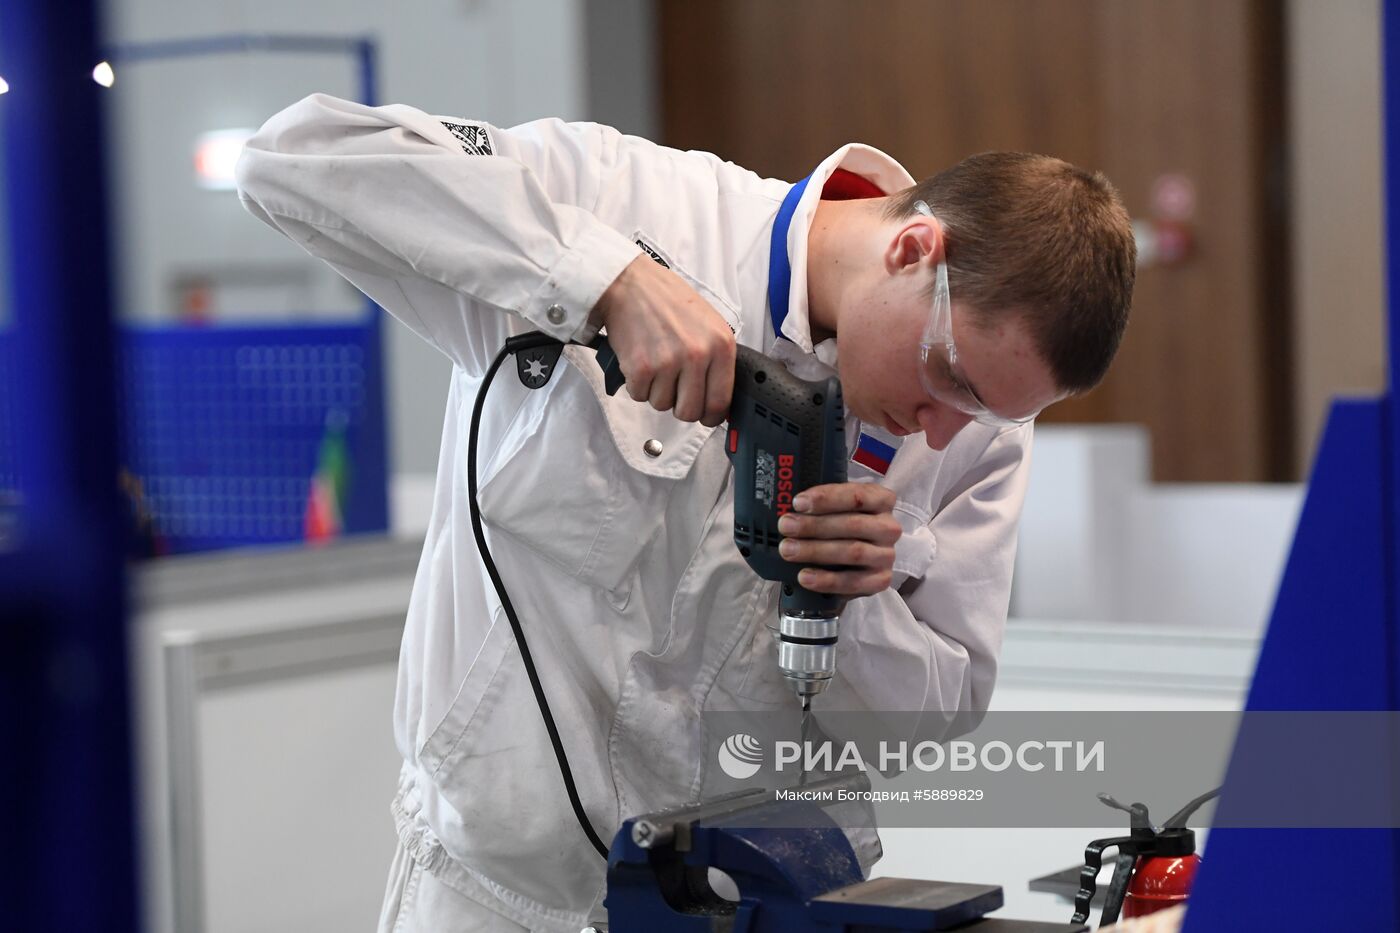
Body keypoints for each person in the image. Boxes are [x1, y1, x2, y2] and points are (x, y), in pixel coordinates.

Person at [236, 93, 1135, 933]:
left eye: (989, 414)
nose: (943, 435)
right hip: (499, 896)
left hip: (760, 903)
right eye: (952, 381)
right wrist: (600, 278)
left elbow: (932, 726)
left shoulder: (977, 437)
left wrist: (861, 608)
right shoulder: (620, 199)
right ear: (913, 251)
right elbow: (290, 159)